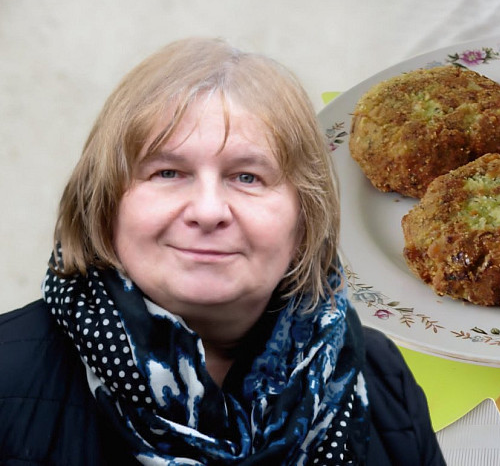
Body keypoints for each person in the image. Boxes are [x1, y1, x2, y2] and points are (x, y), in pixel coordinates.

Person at [0, 38, 445, 465]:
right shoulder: (8, 373)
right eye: (168, 172)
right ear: (104, 204)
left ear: (305, 217)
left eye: (247, 176)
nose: (209, 211)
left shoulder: (382, 375)